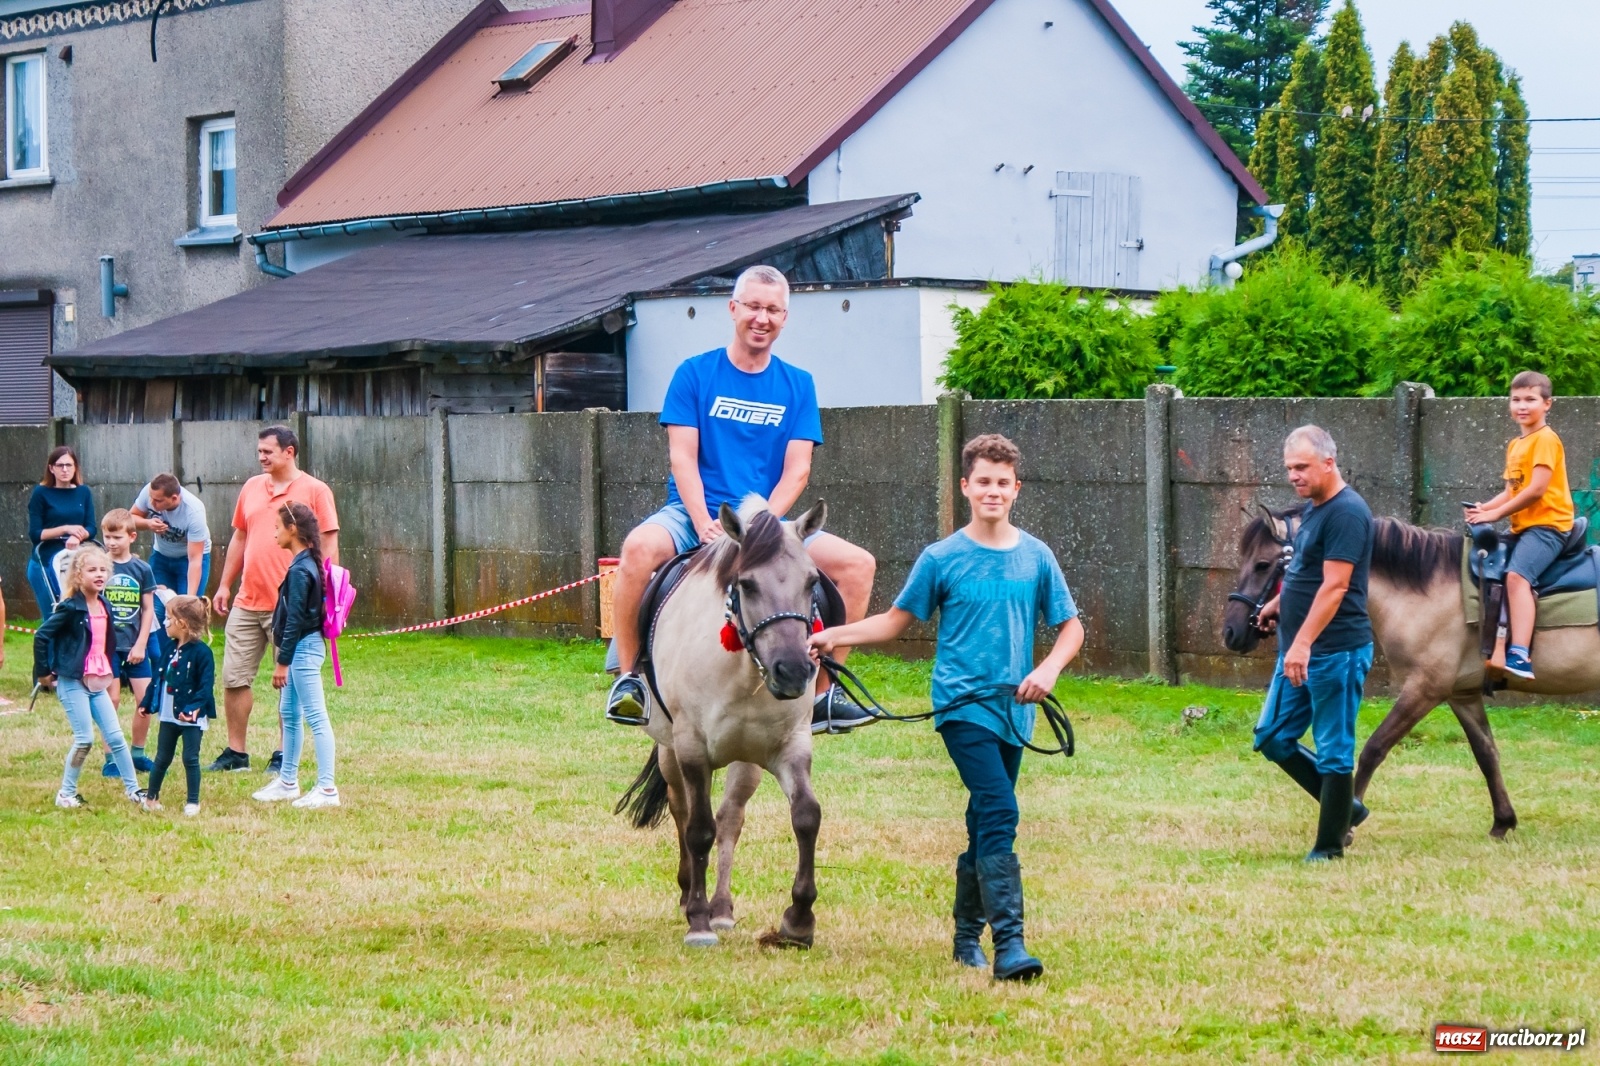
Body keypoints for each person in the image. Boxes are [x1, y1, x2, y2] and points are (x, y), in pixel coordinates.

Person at [809, 434, 1083, 981]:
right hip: (961, 708)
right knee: (1001, 810)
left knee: (985, 819)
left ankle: (964, 938)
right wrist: (831, 634)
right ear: (965, 486)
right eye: (983, 481)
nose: (993, 491)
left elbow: (1070, 625)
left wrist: (1048, 669)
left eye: (1003, 483)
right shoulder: (942, 558)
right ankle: (1010, 946)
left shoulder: (1036, 556)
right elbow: (893, 622)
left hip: (1017, 710)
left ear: (1016, 489)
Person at [605, 264, 877, 733]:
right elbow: (682, 460)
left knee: (859, 565)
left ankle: (823, 696)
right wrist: (704, 519)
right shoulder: (694, 374)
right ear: (733, 309)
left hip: (769, 525)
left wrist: (764, 527)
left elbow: (799, 469)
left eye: (773, 309)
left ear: (785, 318)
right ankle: (631, 681)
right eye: (753, 306)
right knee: (637, 550)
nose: (762, 317)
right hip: (696, 516)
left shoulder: (798, 384)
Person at [1253, 426, 1375, 862]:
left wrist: (1303, 643)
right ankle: (1347, 809)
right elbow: (1307, 574)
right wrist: (1277, 604)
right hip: (1298, 650)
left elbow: (1336, 586)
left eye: (1302, 467)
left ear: (1329, 462)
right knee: (1272, 738)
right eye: (1289, 468)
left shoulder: (1347, 513)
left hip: (1334, 652)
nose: (1294, 476)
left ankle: (1328, 847)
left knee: (1334, 748)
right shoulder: (1315, 509)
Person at [209, 426, 338, 774]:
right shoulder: (252, 487)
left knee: (290, 684)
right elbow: (239, 538)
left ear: (289, 452)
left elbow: (328, 546)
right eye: (259, 452)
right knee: (234, 677)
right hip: (247, 601)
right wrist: (224, 585)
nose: (261, 457)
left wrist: (329, 596)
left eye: (268, 451)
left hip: (290, 607)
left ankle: (284, 754)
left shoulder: (315, 490)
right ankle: (236, 753)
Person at [1464, 371, 1575, 681]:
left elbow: (1536, 490)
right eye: (1516, 400)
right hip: (1524, 528)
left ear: (1547, 404)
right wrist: (1485, 507)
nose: (1522, 406)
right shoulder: (1517, 444)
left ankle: (1520, 654)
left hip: (1548, 527)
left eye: (1530, 399)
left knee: (1516, 578)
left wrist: (1494, 516)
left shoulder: (1545, 440)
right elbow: (1513, 490)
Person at [33, 544, 146, 809]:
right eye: (91, 570)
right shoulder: (70, 607)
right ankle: (65, 793)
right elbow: (41, 636)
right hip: (74, 682)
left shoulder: (104, 603)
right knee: (85, 739)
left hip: (98, 682)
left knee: (116, 738)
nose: (99, 574)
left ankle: (134, 791)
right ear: (77, 576)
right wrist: (44, 673)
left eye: (103, 570)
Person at [252, 502, 341, 809]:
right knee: (290, 715)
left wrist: (282, 663)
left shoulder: (302, 570)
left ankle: (327, 788)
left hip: (302, 651)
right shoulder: (303, 565)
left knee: (316, 716)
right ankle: (288, 782)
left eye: (277, 527)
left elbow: (296, 621)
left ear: (293, 530)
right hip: (301, 650)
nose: (274, 533)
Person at [139, 595, 216, 816]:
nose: (164, 623)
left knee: (190, 758)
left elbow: (205, 687)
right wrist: (147, 702)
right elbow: (157, 679)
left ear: (181, 623)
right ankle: (151, 798)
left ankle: (193, 801)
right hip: (168, 715)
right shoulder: (168, 649)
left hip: (191, 717)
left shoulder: (203, 653)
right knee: (162, 757)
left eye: (167, 618)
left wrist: (193, 708)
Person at [98, 509, 157, 777]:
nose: (111, 542)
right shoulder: (98, 567)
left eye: (117, 537)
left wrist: (141, 644)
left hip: (135, 645)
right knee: (110, 700)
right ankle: (111, 759)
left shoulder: (142, 569)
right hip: (106, 647)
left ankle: (138, 753)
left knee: (145, 701)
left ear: (132, 536)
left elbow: (148, 610)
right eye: (107, 536)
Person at [131, 472, 212, 658]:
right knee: (157, 611)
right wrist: (147, 523)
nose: (151, 504)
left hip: (188, 561)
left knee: (185, 615)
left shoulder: (194, 511)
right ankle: (163, 660)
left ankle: (186, 660)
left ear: (174, 498)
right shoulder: (150, 492)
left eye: (158, 501)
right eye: (151, 498)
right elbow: (130, 519)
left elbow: (195, 560)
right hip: (161, 558)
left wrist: (190, 599)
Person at [27, 446, 95, 616]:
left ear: (75, 467)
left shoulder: (83, 492)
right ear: (51, 468)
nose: (65, 469)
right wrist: (65, 529)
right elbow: (35, 534)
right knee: (53, 616)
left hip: (75, 561)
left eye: (69, 465)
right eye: (60, 465)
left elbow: (91, 528)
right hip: (45, 561)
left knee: (79, 615)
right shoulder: (41, 493)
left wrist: (77, 536)